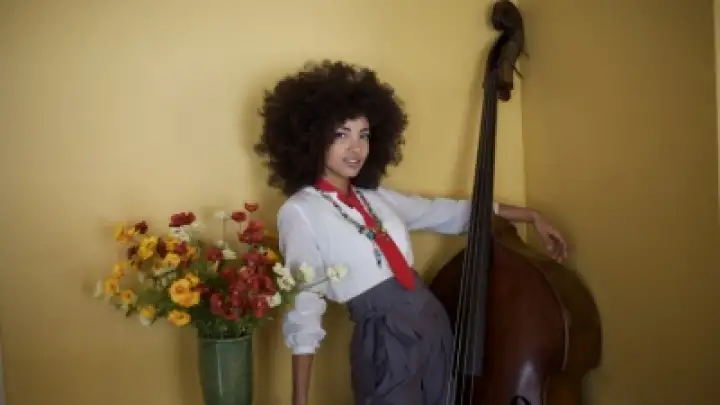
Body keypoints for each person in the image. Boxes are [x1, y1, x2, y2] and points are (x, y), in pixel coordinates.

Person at [253, 60, 568, 405]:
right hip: (385, 337)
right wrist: (300, 399)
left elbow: (449, 213)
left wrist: (530, 215)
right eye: (341, 134)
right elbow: (305, 305)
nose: (356, 148)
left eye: (364, 135)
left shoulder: (375, 197)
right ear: (311, 138)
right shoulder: (300, 211)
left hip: (433, 324)